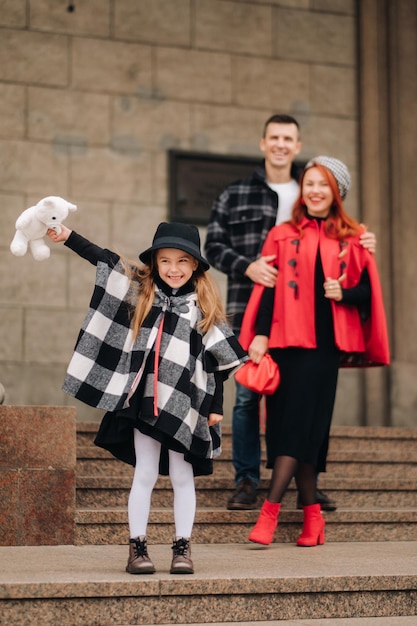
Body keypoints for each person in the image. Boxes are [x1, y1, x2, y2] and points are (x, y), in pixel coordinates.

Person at [47, 221, 247, 574]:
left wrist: (215, 408)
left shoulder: (203, 310)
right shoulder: (143, 294)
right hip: (144, 399)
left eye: (183, 261)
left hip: (186, 405)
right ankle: (137, 547)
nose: (173, 269)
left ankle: (182, 547)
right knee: (146, 472)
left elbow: (219, 363)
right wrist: (68, 237)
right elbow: (105, 261)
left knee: (183, 476)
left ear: (196, 266)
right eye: (165, 261)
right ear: (155, 263)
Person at [204, 114, 376, 512]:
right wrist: (246, 265)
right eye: (274, 137)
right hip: (250, 306)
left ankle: (306, 483)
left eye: (289, 138)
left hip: (306, 319)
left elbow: (337, 237)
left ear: (297, 146)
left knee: (302, 401)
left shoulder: (314, 187)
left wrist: (362, 239)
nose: (281, 144)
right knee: (248, 396)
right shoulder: (236, 193)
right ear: (263, 143)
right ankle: (247, 481)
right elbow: (212, 245)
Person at [238, 156, 390, 547]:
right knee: (298, 430)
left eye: (324, 184)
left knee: (300, 426)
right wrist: (258, 334)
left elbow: (368, 292)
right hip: (285, 342)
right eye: (309, 183)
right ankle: (312, 517)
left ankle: (269, 512)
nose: (316, 191)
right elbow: (268, 286)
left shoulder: (354, 237)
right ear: (302, 190)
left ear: (337, 191)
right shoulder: (282, 232)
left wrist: (344, 291)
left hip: (323, 349)